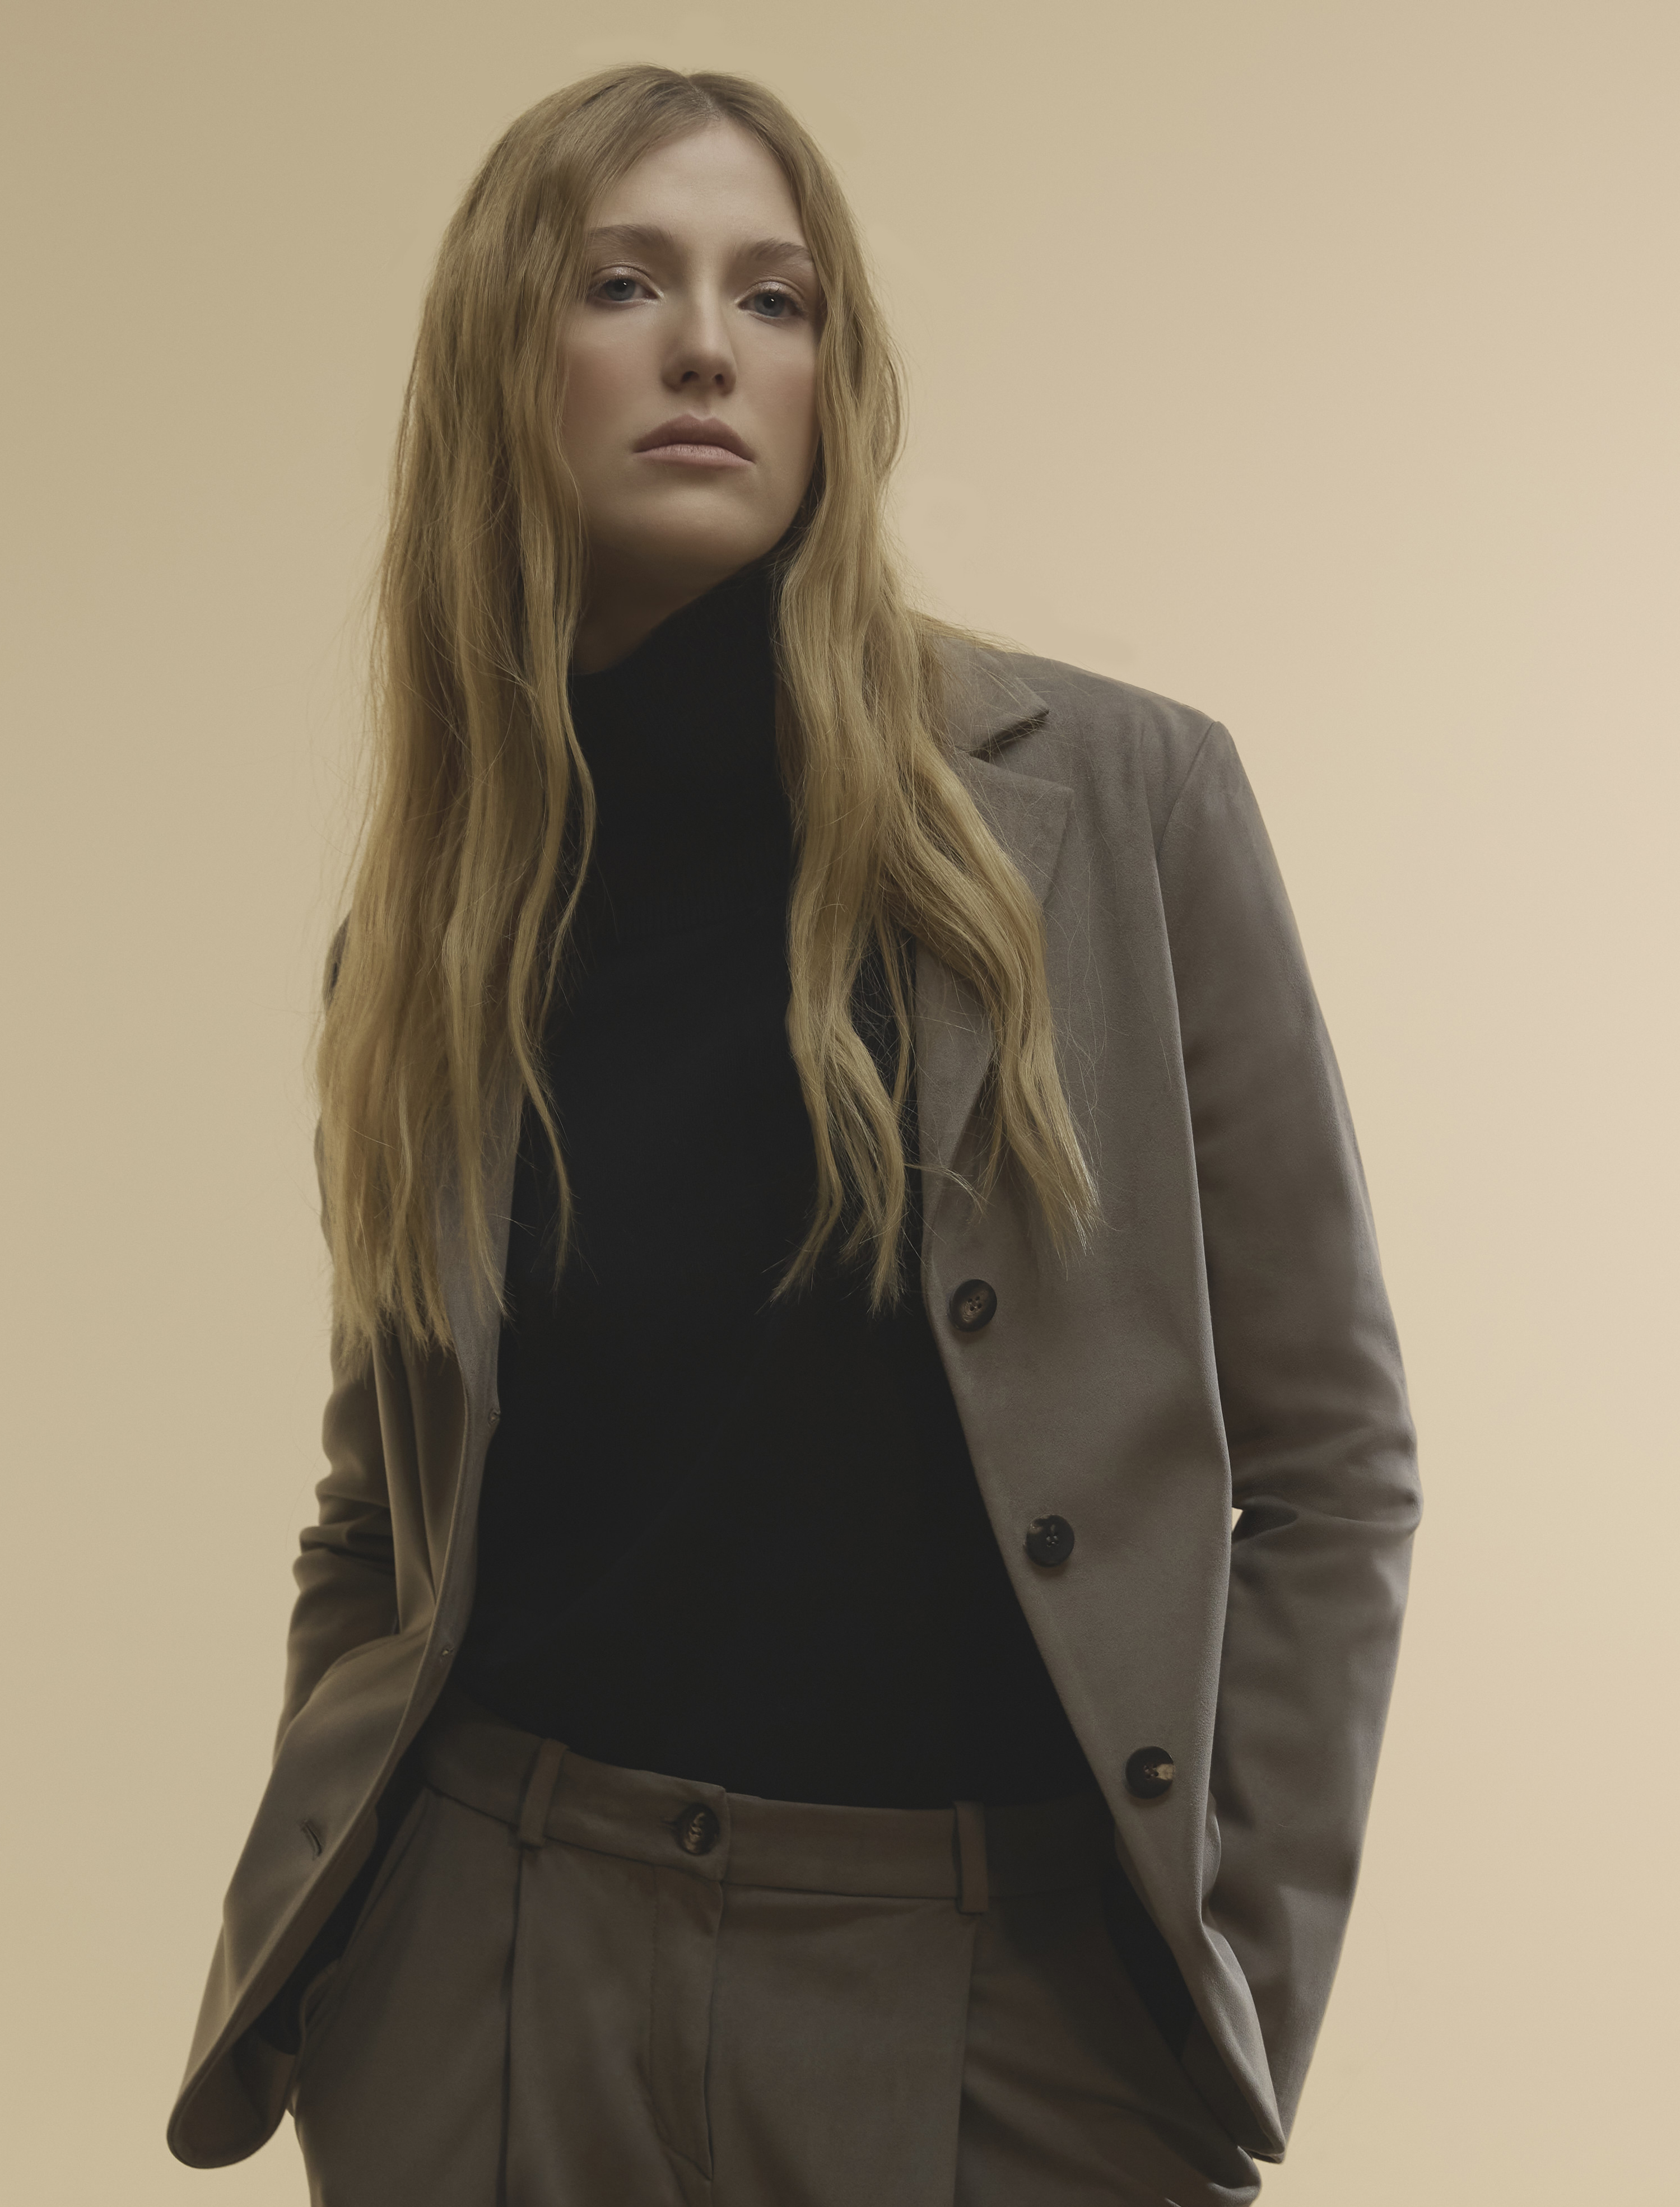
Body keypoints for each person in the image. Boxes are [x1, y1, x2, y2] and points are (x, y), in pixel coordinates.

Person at [166, 64, 1420, 2207]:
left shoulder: (1118, 811)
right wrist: (364, 1952)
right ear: (503, 362)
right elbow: (381, 1509)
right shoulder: (439, 929)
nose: (705, 347)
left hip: (998, 1999)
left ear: (837, 377)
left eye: (777, 298)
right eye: (623, 284)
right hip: (498, 1979)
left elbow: (1330, 1460)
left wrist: (1230, 1972)